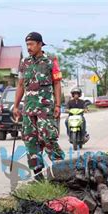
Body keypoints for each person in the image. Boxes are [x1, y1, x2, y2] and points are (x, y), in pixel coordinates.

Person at [12, 32, 65, 180]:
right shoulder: (25, 63)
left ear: (40, 44)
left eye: (31, 44)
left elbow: (57, 83)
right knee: (30, 140)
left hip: (45, 108)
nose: (28, 47)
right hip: (28, 109)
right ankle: (38, 175)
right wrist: (16, 106)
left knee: (48, 138)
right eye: (27, 44)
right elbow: (21, 85)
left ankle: (62, 170)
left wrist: (58, 105)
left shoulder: (50, 61)